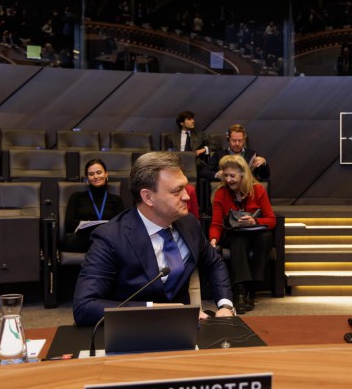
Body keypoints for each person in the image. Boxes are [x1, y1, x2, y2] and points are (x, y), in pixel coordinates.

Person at [73, 152, 234, 326]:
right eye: (176, 191)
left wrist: (225, 305)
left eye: (185, 188)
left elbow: (214, 263)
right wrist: (156, 310)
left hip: (186, 331)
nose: (187, 196)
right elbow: (84, 306)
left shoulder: (189, 224)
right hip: (132, 333)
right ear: (148, 197)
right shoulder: (111, 237)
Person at [209, 155, 276, 314]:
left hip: (255, 233)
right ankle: (239, 291)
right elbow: (216, 223)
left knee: (266, 236)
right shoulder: (221, 193)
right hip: (233, 235)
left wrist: (255, 222)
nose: (228, 179)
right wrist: (213, 239)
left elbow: (271, 220)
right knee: (239, 238)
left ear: (243, 175)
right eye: (225, 175)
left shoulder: (258, 189)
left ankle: (251, 290)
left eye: (232, 176)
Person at [62, 159, 125, 253]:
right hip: (82, 239)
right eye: (91, 174)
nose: (95, 177)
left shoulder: (116, 200)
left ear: (106, 174)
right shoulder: (76, 197)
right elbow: (69, 223)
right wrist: (87, 225)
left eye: (99, 172)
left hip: (107, 238)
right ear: (87, 177)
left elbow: (120, 224)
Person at [201, 124, 270, 182]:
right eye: (234, 140)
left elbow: (265, 175)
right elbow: (204, 172)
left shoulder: (252, 154)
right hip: (227, 188)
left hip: (248, 189)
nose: (237, 144)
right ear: (228, 139)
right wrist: (217, 174)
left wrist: (264, 163)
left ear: (244, 140)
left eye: (240, 141)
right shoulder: (219, 155)